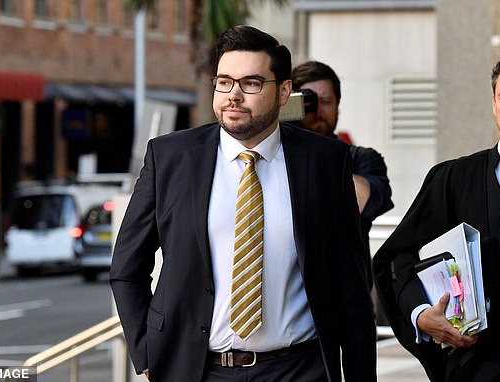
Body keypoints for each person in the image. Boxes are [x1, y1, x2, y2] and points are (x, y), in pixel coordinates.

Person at [110, 25, 376, 382]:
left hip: (299, 369)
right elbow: (128, 266)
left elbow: (352, 284)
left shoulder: (325, 162)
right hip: (199, 371)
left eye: (251, 83)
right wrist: (148, 351)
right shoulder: (170, 157)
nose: (233, 95)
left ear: (283, 92)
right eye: (224, 82)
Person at [373, 50, 500, 382]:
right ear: (494, 103)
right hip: (477, 370)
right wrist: (421, 313)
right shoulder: (453, 179)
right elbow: (397, 257)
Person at [291, 61, 394, 285]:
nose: (317, 110)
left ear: (338, 105)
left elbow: (363, 203)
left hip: (345, 300)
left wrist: (311, 149)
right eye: (307, 102)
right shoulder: (274, 160)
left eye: (325, 101)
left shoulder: (361, 159)